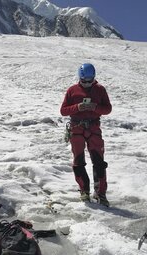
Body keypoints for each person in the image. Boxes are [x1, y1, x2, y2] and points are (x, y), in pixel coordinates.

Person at [60, 63, 112, 206]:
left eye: (90, 81)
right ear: (80, 78)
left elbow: (108, 109)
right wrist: (77, 107)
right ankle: (84, 191)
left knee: (99, 162)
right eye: (84, 81)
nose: (87, 84)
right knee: (78, 161)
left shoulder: (100, 90)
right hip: (77, 129)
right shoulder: (72, 90)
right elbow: (63, 111)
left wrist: (96, 107)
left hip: (94, 128)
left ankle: (100, 193)